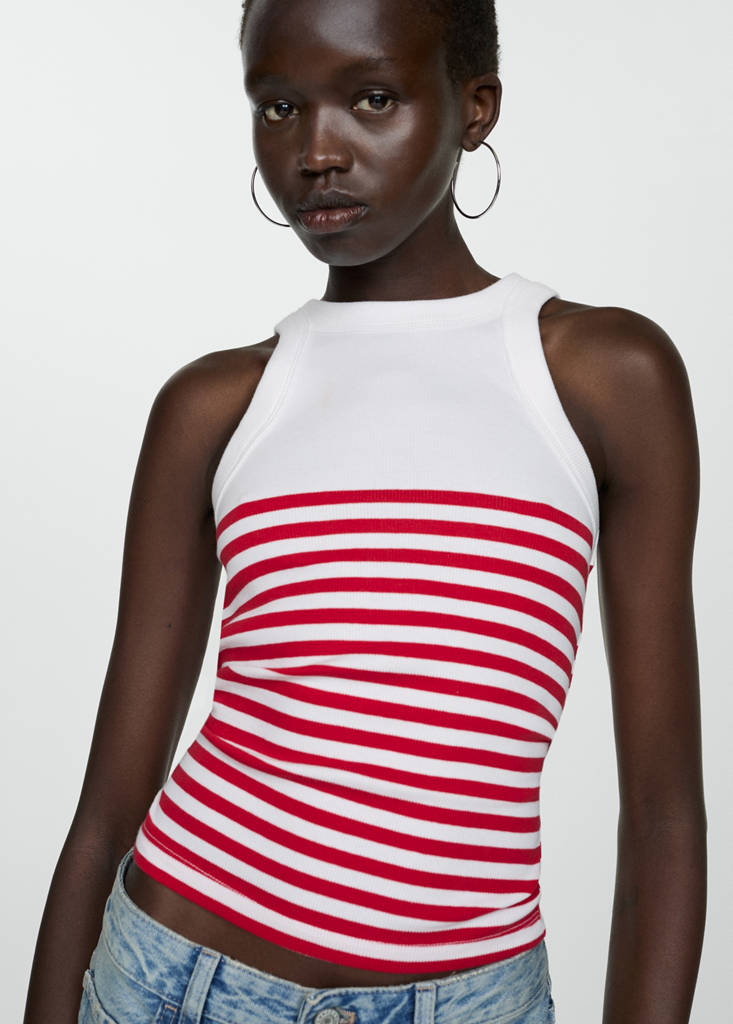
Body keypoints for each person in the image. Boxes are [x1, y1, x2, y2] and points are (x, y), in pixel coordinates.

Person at [23, 1, 707, 1022]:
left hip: (471, 998)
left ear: (475, 106)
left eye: (372, 98)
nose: (316, 152)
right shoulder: (218, 405)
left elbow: (661, 813)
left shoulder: (604, 376)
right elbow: (107, 810)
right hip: (176, 979)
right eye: (279, 107)